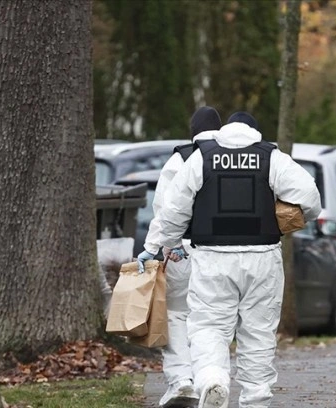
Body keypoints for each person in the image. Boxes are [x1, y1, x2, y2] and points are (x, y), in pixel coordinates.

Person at [140, 112, 322, 408]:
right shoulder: (271, 157)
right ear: (255, 132)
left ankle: (213, 379)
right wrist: (297, 218)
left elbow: (173, 210)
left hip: (212, 259)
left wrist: (163, 245)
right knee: (258, 332)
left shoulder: (202, 157)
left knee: (209, 327)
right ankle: (256, 400)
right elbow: (310, 197)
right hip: (263, 258)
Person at [142, 106, 222, 408]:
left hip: (183, 253)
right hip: (222, 254)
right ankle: (210, 380)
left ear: (193, 132)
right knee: (211, 321)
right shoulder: (233, 156)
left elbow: (164, 210)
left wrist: (158, 248)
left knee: (175, 315)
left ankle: (181, 381)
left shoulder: (181, 159)